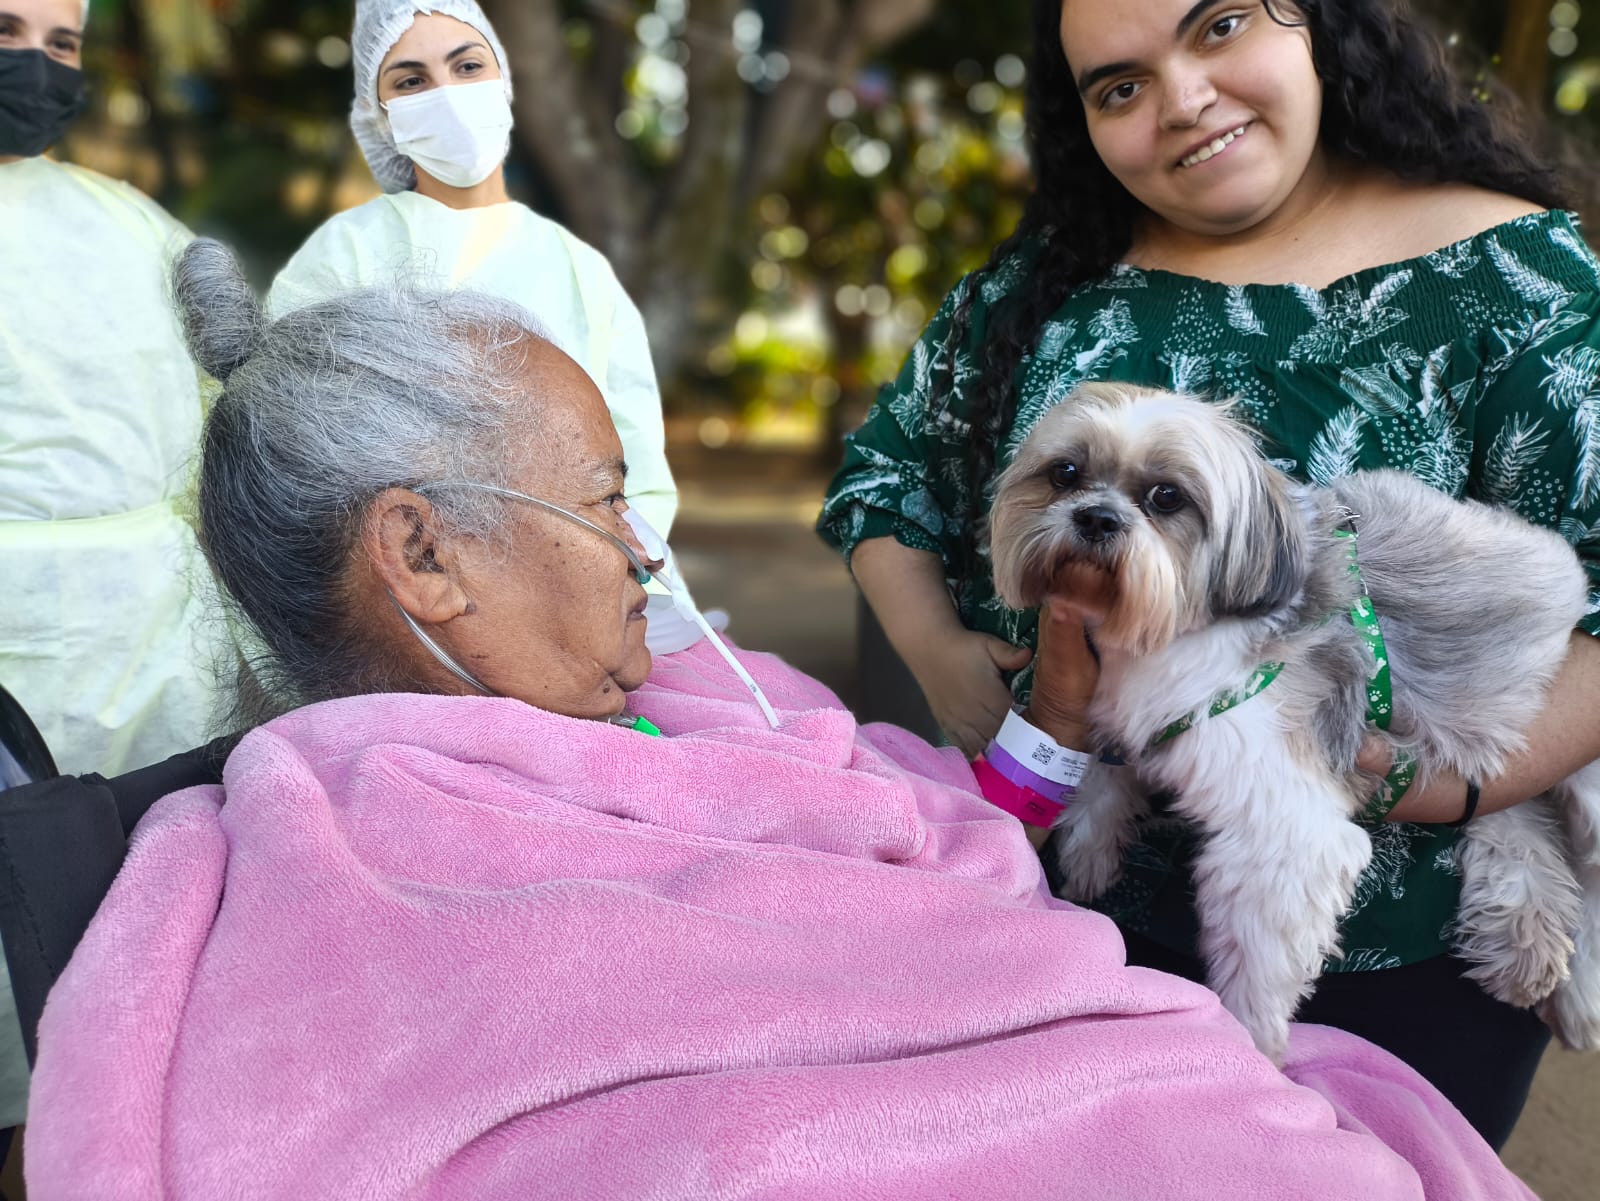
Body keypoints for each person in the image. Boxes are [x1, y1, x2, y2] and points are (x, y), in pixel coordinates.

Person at [22, 239, 1539, 1201]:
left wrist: (1053, 719)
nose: (648, 550)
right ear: (423, 554)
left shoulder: (695, 690)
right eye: (605, 499)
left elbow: (954, 847)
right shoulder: (357, 856)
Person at [818, 0, 1600, 1148]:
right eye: (1118, 86)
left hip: (1386, 956)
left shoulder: (1515, 282)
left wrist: (1458, 789)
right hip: (1051, 908)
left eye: (1220, 24)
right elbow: (884, 481)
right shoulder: (1049, 276)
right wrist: (940, 657)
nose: (1182, 99)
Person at [0, 0, 230, 1144]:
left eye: (63, 43)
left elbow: (221, 402)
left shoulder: (132, 222)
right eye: (7, 29)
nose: (36, 66)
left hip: (154, 628)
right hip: (16, 643)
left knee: (139, 930)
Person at [267, 0, 677, 536]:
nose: (448, 95)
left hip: (572, 564)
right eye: (412, 81)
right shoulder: (343, 255)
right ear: (379, 114)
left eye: (467, 66)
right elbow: (286, 443)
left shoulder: (580, 270)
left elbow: (637, 470)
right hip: (401, 564)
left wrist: (622, 561)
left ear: (502, 78)